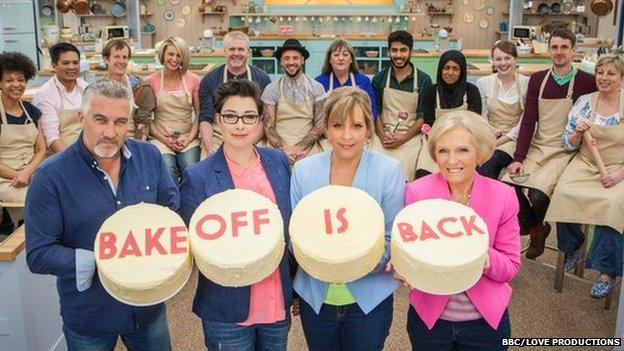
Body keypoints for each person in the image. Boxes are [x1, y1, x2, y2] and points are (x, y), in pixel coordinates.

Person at [25, 79, 179, 350]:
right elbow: (39, 254)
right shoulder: (50, 177)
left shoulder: (150, 157)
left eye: (120, 122)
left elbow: (171, 212)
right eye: (100, 120)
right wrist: (106, 261)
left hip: (147, 308)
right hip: (90, 314)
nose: (110, 132)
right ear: (81, 117)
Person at [180, 80, 293, 350]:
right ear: (218, 119)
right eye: (231, 116)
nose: (240, 125)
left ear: (259, 121)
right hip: (227, 305)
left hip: (275, 296)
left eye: (249, 117)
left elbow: (288, 228)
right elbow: (193, 244)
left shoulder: (278, 162)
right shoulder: (198, 176)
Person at [291, 87, 404, 351]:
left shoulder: (389, 171)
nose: (346, 136)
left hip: (369, 300)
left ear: (368, 128)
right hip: (317, 298)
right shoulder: (303, 171)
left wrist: (346, 266)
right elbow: (295, 234)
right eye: (337, 125)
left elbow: (391, 238)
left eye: (356, 125)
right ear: (326, 128)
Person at [396, 110, 520, 350]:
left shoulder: (503, 196)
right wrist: (403, 266)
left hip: (485, 322)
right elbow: (407, 252)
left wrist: (479, 254)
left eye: (463, 150)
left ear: (480, 153)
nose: (452, 161)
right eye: (443, 151)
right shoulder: (417, 192)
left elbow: (510, 268)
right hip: (430, 321)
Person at [502, 29, 597, 259]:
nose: (559, 52)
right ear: (548, 50)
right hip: (539, 145)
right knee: (507, 184)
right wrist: (518, 158)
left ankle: (533, 229)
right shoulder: (538, 79)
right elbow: (528, 121)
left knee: (538, 195)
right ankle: (537, 229)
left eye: (564, 47)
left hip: (565, 150)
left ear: (573, 50)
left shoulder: (587, 81)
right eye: (554, 47)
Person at [546, 55, 624, 299]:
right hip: (586, 162)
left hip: (618, 166)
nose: (604, 77)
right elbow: (567, 144)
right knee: (563, 192)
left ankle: (606, 272)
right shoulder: (584, 103)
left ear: (621, 78)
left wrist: (619, 174)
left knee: (611, 204)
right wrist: (577, 135)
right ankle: (572, 246)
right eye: (601, 72)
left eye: (611, 73)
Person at [372, 30, 433, 181]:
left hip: (410, 135)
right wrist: (381, 136)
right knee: (374, 162)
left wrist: (403, 138)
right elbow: (375, 112)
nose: (398, 55)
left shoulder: (424, 80)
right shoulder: (379, 78)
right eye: (394, 50)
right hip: (383, 132)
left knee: (407, 164)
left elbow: (422, 116)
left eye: (403, 50)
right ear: (389, 52)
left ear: (411, 51)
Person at [198, 31, 271, 156]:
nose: (236, 53)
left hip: (252, 135)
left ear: (248, 52)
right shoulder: (209, 79)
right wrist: (210, 149)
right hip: (218, 136)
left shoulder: (262, 79)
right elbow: (205, 119)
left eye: (241, 49)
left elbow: (264, 119)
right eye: (232, 49)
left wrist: (247, 145)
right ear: (225, 51)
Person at [416, 50, 482, 178]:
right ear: (440, 69)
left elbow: (474, 123)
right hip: (436, 140)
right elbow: (429, 122)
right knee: (424, 173)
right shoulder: (431, 92)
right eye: (446, 68)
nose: (450, 73)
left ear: (462, 71)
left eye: (455, 69)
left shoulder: (471, 91)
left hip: (464, 141)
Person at [0, 52, 46, 231]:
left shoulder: (31, 111)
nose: (16, 85)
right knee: (35, 197)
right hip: (5, 178)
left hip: (31, 172)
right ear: (0, 83)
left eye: (21, 79)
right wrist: (18, 176)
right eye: (9, 80)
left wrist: (28, 172)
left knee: (57, 190)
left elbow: (41, 149)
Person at [262, 38, 327, 164]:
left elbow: (319, 125)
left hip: (308, 144)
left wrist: (299, 148)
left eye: (295, 58)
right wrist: (284, 151)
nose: (291, 62)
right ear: (281, 61)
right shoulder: (271, 89)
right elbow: (269, 127)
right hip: (279, 143)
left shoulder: (316, 87)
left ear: (302, 60)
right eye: (286, 58)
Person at [145, 36, 200, 183]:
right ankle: (172, 205)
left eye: (179, 55)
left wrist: (188, 139)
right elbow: (146, 118)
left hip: (187, 136)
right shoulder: (150, 81)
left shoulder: (193, 80)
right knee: (167, 170)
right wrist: (165, 139)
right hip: (160, 138)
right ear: (163, 54)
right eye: (170, 54)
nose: (174, 59)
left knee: (192, 170)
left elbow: (199, 115)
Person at [476, 41, 530, 179]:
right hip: (488, 135)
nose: (503, 63)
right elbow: (482, 116)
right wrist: (490, 131)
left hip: (513, 140)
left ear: (515, 59)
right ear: (493, 61)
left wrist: (502, 140)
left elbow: (526, 121)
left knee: (490, 162)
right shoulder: (484, 83)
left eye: (507, 58)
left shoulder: (526, 83)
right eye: (498, 59)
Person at [33, 42, 88, 153]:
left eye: (75, 63)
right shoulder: (45, 95)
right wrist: (73, 161)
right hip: (61, 156)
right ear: (54, 65)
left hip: (89, 151)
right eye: (65, 63)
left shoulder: (87, 89)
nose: (72, 67)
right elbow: (51, 137)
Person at [102, 38, 156, 140]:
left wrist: (137, 147)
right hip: (106, 139)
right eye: (117, 57)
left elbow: (143, 124)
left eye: (125, 57)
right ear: (105, 59)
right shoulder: (96, 90)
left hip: (133, 138)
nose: (121, 61)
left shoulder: (141, 88)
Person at [315, 39, 378, 118]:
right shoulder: (319, 82)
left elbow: (371, 112)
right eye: (336, 55)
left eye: (345, 55)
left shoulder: (363, 81)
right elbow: (316, 115)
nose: (341, 58)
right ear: (329, 59)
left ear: (351, 59)